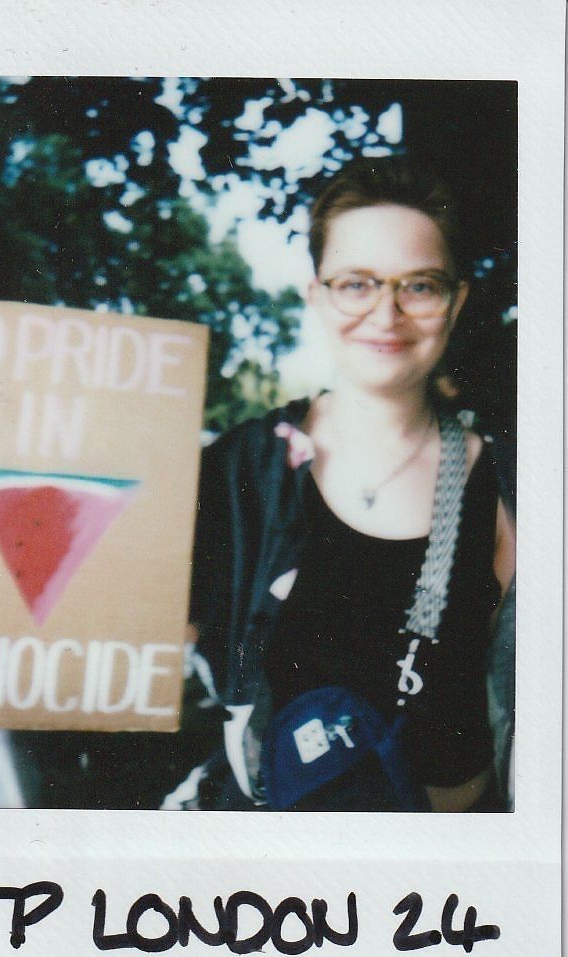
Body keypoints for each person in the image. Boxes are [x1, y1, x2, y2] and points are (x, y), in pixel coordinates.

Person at [163, 157, 516, 813]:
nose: (385, 313)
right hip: (280, 861)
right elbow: (165, 640)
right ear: (316, 296)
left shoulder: (506, 488)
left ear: (457, 300)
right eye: (355, 283)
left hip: (447, 871)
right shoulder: (239, 469)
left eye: (419, 285)